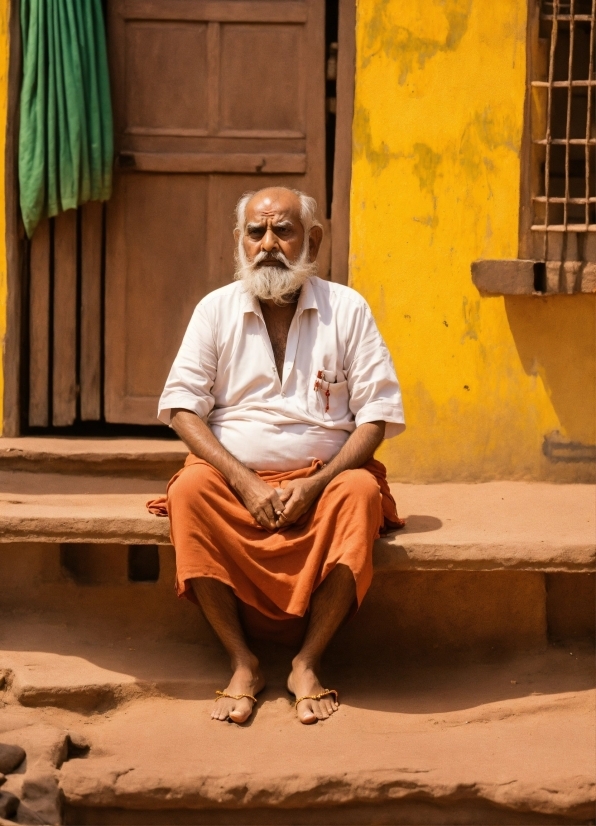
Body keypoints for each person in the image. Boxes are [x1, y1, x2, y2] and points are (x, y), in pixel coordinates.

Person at [148, 186, 405, 725]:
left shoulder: (347, 309)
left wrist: (315, 484)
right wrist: (243, 482)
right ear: (240, 241)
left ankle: (306, 663)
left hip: (324, 477)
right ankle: (242, 662)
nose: (268, 244)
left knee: (359, 493)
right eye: (256, 232)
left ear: (310, 239)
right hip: (233, 479)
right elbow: (181, 408)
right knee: (190, 492)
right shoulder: (214, 309)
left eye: (282, 231)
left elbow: (375, 418)